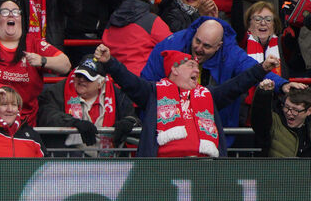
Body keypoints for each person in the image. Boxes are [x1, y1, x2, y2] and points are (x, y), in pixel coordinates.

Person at [93, 43, 279, 157]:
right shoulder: (153, 92)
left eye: (197, 67)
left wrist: (262, 68)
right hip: (162, 170)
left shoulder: (208, 94)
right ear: (174, 69)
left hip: (204, 169)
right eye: (191, 65)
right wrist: (109, 62)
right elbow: (128, 81)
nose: (197, 70)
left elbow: (237, 85)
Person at [140, 17, 301, 140]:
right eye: (197, 41)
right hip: (169, 130)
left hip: (214, 130)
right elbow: (148, 87)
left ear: (219, 46)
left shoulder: (230, 53)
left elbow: (252, 68)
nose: (198, 49)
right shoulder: (170, 46)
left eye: (206, 46)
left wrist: (282, 84)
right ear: (195, 33)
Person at [0, 0, 71, 126]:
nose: (11, 15)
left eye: (16, 12)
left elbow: (66, 65)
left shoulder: (33, 43)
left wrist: (42, 60)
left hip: (25, 125)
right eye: (5, 12)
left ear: (21, 19)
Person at [38, 56, 137, 156]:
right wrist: (73, 122)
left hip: (110, 160)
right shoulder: (57, 91)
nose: (81, 80)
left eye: (88, 78)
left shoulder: (117, 95)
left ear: (100, 83)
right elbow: (47, 115)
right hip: (69, 158)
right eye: (79, 75)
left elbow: (133, 119)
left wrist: (128, 122)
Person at [102, 0, 171, 75]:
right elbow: (173, 47)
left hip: (111, 78)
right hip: (140, 79)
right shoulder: (152, 21)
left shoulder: (112, 19)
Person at [252, 79, 311, 157]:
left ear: (309, 111)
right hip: (275, 165)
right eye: (286, 107)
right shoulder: (275, 121)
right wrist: (263, 94)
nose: (289, 113)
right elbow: (259, 119)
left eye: (295, 110)